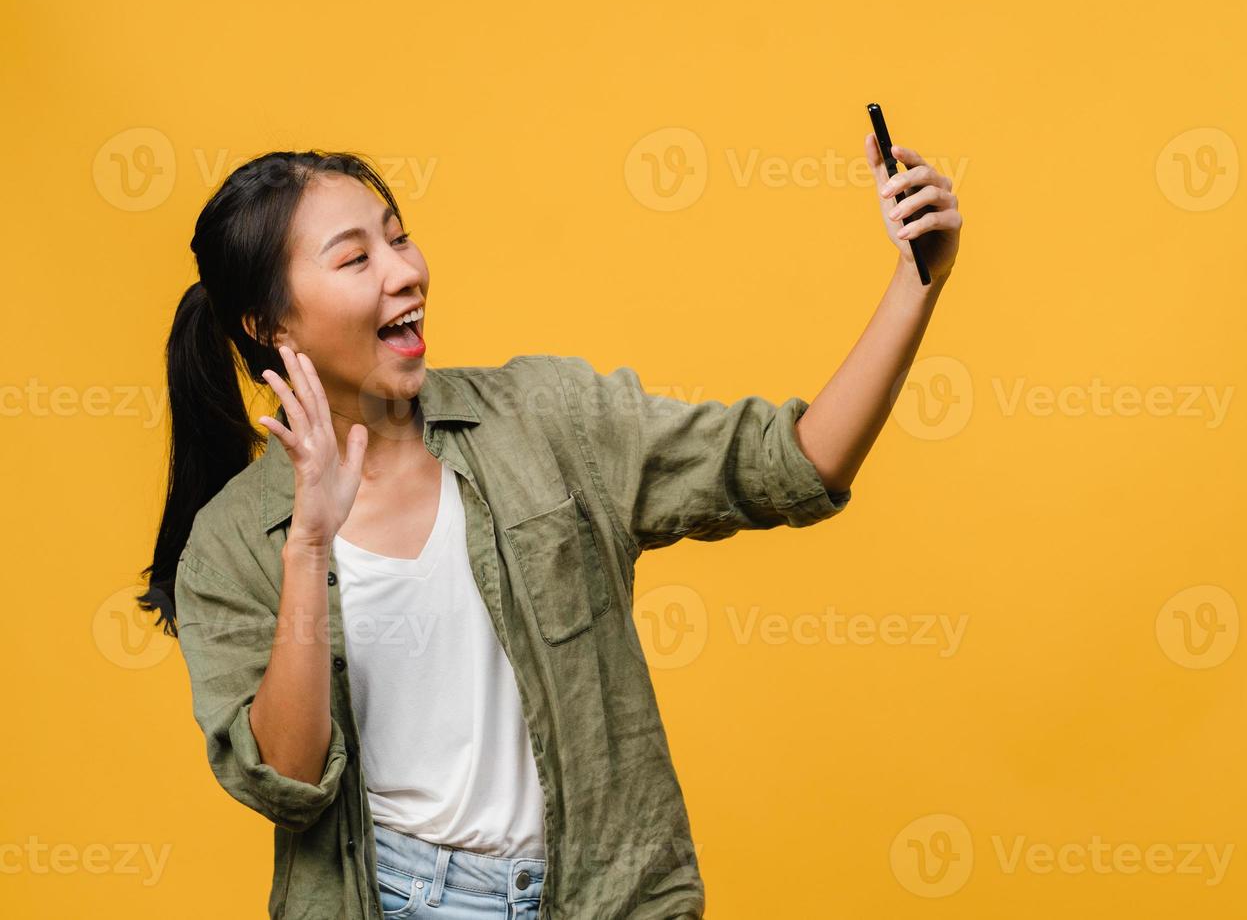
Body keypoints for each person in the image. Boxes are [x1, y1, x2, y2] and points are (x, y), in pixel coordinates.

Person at [137, 143, 960, 919]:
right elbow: (287, 776)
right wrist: (309, 547)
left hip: (604, 893)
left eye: (400, 238)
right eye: (356, 259)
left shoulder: (546, 419)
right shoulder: (232, 542)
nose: (405, 272)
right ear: (271, 325)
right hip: (400, 897)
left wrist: (916, 283)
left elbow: (795, 462)